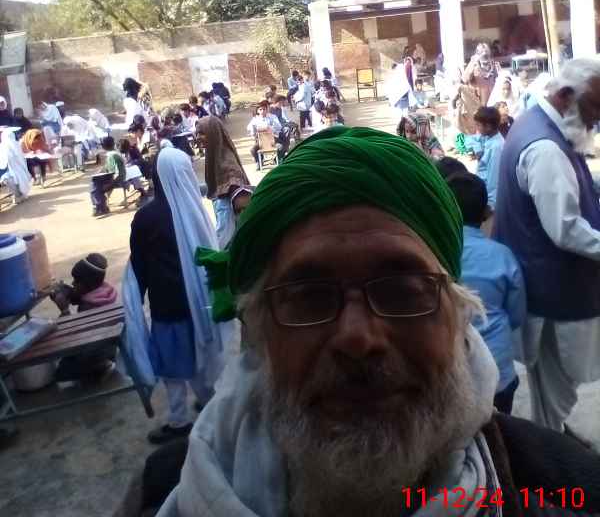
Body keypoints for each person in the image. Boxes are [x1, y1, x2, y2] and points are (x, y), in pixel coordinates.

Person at [154, 125, 600, 517]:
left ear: (459, 317)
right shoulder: (158, 491)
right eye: (309, 298)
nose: (358, 338)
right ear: (258, 333)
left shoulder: (565, 489)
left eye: (403, 291)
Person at [494, 58, 600, 436]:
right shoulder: (545, 148)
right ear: (566, 96)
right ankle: (553, 454)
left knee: (551, 391)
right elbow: (565, 230)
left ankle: (552, 443)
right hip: (555, 290)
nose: (595, 120)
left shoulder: (539, 123)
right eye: (593, 108)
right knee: (559, 389)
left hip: (544, 284)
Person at [125, 148, 232, 444]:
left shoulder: (146, 217)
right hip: (200, 302)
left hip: (167, 305)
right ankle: (210, 405)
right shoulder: (196, 211)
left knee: (172, 366)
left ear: (157, 176)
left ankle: (178, 420)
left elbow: (139, 263)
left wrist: (137, 297)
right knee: (201, 354)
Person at [444, 172, 526, 414]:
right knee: (499, 429)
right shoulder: (502, 256)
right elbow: (516, 315)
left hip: (449, 378)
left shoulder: (431, 254)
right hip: (499, 373)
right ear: (485, 213)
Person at [52, 253, 118, 384]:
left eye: (77, 281)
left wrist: (64, 310)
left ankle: (101, 366)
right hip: (110, 349)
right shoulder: (104, 293)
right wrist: (71, 293)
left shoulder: (88, 308)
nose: (73, 283)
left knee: (60, 373)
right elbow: (83, 295)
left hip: (92, 353)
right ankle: (103, 363)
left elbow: (70, 338)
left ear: (87, 285)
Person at [196, 116, 252, 249]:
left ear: (213, 134)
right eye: (197, 133)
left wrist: (222, 252)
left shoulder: (227, 165)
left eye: (202, 133)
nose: (197, 137)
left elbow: (226, 228)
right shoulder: (215, 157)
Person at [90, 135, 138, 217]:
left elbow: (119, 174)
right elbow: (110, 169)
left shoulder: (113, 155)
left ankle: (100, 207)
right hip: (114, 178)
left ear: (103, 146)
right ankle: (101, 207)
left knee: (95, 186)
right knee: (95, 184)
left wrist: (111, 184)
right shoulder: (112, 154)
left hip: (118, 180)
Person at [473, 106, 504, 211]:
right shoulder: (486, 136)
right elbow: (471, 139)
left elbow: (494, 179)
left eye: (478, 125)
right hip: (482, 187)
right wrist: (478, 149)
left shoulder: (496, 147)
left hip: (488, 195)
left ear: (488, 126)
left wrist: (490, 204)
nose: (476, 128)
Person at [247, 102, 282, 169]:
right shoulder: (255, 119)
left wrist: (270, 128)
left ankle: (277, 160)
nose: (262, 111)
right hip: (261, 140)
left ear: (267, 110)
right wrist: (255, 129)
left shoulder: (272, 117)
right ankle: (259, 161)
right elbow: (249, 128)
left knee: (280, 147)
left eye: (264, 109)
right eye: (260, 109)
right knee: (253, 150)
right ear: (257, 111)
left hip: (272, 139)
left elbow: (279, 127)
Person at [0, 127, 32, 203]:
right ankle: (17, 195)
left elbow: (4, 164)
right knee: (9, 179)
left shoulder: (10, 146)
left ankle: (18, 195)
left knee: (11, 179)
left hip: (15, 170)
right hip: (13, 171)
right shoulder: (9, 145)